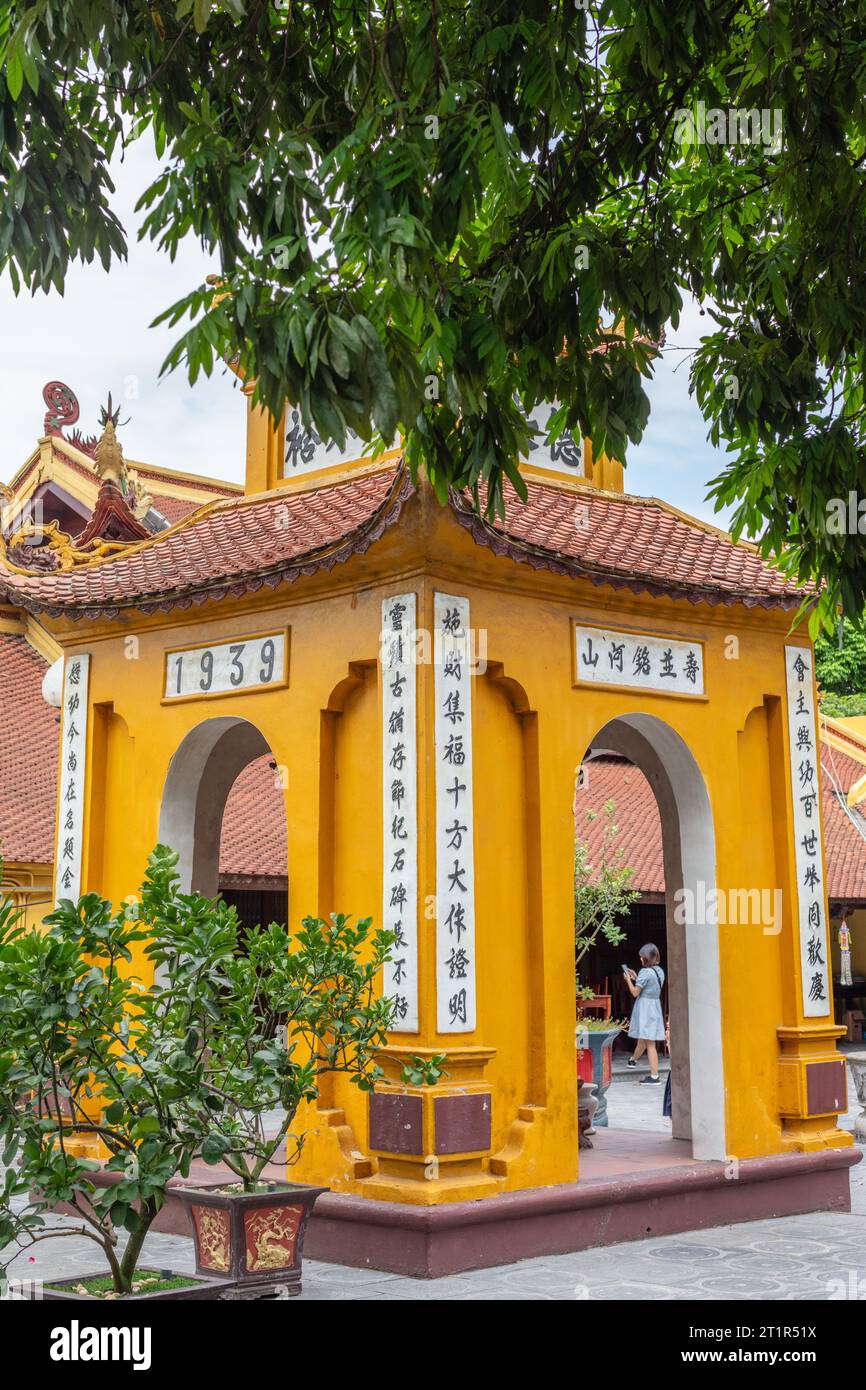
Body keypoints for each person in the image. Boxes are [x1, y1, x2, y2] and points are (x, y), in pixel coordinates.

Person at [623, 943, 665, 1085]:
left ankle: (654, 1077)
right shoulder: (659, 971)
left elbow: (635, 993)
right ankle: (633, 1060)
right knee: (644, 1037)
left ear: (646, 958)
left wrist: (628, 980)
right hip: (654, 1006)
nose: (640, 959)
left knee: (649, 1042)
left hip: (646, 1008)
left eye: (642, 957)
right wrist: (636, 977)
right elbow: (650, 986)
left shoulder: (645, 972)